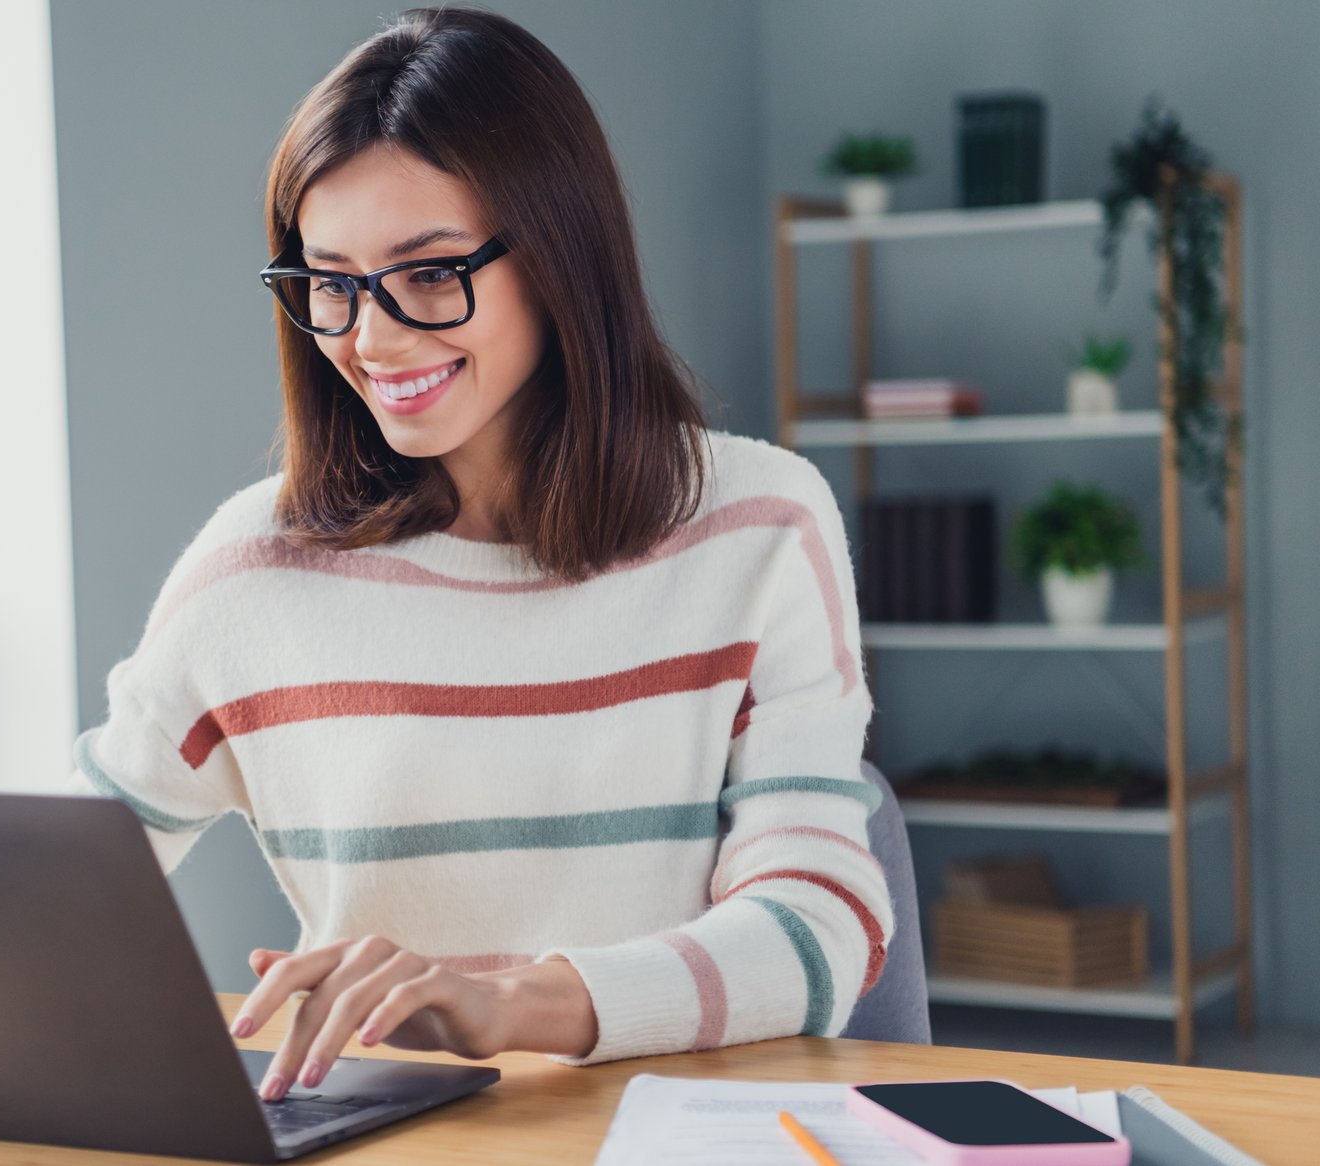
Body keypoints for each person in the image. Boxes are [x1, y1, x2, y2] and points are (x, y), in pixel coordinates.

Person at [58, 6, 891, 1101]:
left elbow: (817, 924)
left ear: (557, 256)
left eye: (429, 272)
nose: (370, 336)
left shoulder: (757, 525)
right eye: (330, 280)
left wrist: (507, 1004)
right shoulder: (250, 570)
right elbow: (56, 886)